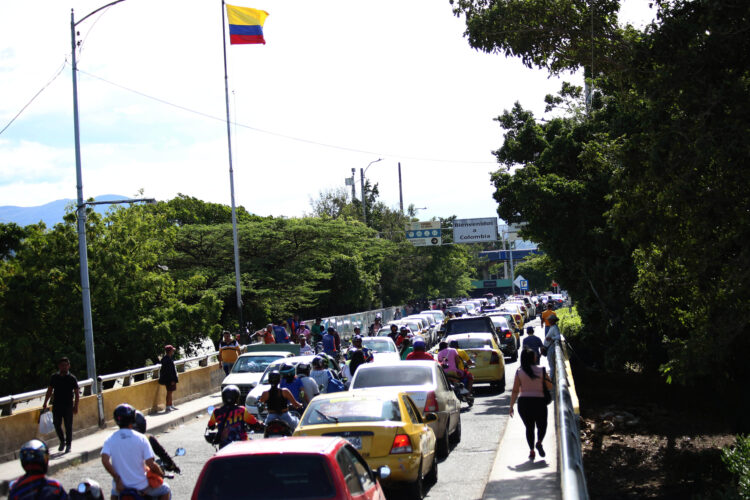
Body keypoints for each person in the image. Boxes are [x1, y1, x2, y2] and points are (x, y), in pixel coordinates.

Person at [101, 403, 171, 500]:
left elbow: (105, 461)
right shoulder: (141, 438)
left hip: (121, 487)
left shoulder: (110, 439)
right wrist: (161, 473)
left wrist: (117, 478)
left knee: (114, 491)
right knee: (165, 489)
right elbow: (150, 464)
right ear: (133, 419)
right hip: (141, 487)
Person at [509, 349, 553, 461]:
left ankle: (532, 451)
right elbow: (550, 386)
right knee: (542, 425)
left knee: (529, 427)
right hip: (539, 402)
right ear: (534, 358)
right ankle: (539, 442)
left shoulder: (519, 372)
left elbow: (515, 391)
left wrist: (511, 406)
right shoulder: (541, 370)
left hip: (524, 403)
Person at [42, 357, 79, 453]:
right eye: (62, 365)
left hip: (68, 405)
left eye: (66, 365)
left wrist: (76, 406)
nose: (64, 367)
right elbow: (50, 390)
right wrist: (45, 402)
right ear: (59, 366)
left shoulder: (72, 378)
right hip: (57, 405)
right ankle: (62, 441)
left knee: (68, 425)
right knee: (56, 424)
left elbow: (77, 393)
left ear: (69, 366)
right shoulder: (54, 377)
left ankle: (68, 445)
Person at [158, 345, 179, 412]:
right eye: (172, 350)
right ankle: (168, 406)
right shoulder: (167, 360)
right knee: (169, 392)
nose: (173, 351)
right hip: (169, 379)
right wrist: (172, 380)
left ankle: (170, 404)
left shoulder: (167, 358)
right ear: (170, 351)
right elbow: (169, 371)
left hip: (169, 379)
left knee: (170, 392)